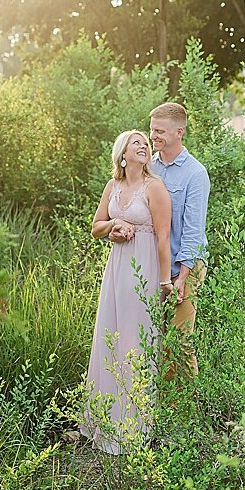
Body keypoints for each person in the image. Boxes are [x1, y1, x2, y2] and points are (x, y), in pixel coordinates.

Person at [81, 130, 172, 454]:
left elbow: (163, 238)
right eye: (137, 143)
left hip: (143, 270)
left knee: (136, 341)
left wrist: (164, 283)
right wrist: (114, 226)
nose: (144, 146)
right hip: (117, 269)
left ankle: (135, 428)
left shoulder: (155, 188)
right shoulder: (113, 187)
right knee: (112, 336)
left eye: (145, 143)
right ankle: (106, 422)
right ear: (122, 153)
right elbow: (96, 227)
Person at [148, 102, 210, 379]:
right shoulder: (149, 166)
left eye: (160, 131)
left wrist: (182, 277)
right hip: (154, 267)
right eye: (152, 130)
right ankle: (159, 411)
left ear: (179, 132)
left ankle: (190, 416)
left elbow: (194, 231)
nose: (153, 137)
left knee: (180, 343)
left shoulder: (196, 174)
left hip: (185, 268)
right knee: (154, 342)